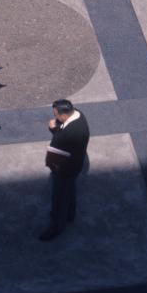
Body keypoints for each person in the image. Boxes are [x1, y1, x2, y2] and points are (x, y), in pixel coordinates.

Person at [40, 99, 89, 241]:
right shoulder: (79, 114)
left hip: (65, 169)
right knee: (69, 190)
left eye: (56, 115)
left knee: (59, 198)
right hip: (75, 165)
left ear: (63, 115)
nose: (55, 118)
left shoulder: (69, 134)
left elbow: (56, 152)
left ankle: (57, 226)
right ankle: (70, 214)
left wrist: (53, 129)